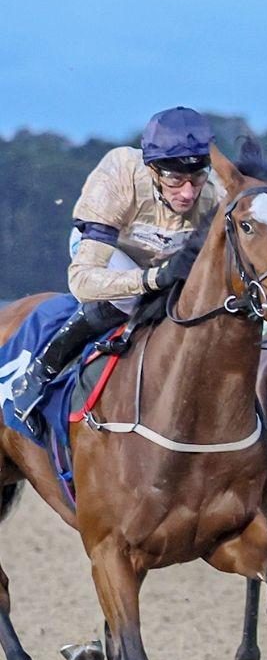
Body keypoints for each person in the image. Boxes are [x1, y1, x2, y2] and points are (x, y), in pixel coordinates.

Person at [8, 107, 223, 441]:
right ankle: (39, 372)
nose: (188, 193)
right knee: (129, 298)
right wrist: (152, 280)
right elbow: (82, 281)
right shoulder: (120, 172)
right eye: (175, 179)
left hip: (164, 258)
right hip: (110, 252)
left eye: (196, 179)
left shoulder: (216, 193)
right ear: (152, 170)